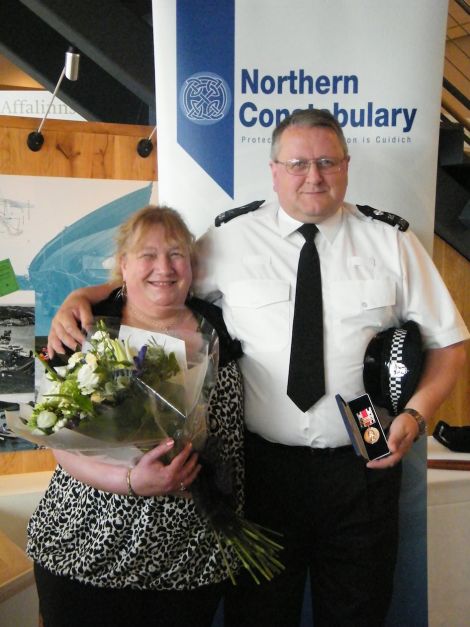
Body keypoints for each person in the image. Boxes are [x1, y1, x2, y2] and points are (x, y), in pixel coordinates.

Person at [47, 109, 469, 627]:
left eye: (326, 162)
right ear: (273, 170)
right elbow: (156, 278)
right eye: (297, 164)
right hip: (262, 472)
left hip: (361, 468)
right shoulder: (231, 237)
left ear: (346, 166)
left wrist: (418, 415)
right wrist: (83, 295)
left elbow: (450, 346)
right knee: (260, 616)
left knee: (358, 612)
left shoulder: (392, 242)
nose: (312, 176)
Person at [28, 206, 244, 627]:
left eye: (176, 254)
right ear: (123, 266)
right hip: (88, 551)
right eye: (147, 254)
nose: (163, 267)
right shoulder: (86, 325)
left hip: (190, 561)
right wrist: (130, 482)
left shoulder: (217, 325)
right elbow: (61, 446)